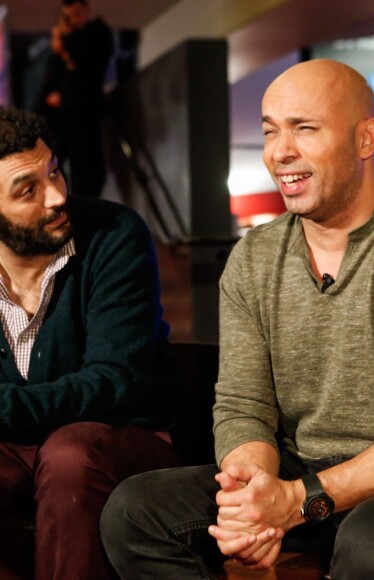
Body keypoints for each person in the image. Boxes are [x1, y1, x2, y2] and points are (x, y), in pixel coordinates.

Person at [100, 59, 374, 579]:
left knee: (372, 540)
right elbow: (243, 405)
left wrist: (296, 502)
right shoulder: (253, 258)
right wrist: (254, 497)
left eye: (305, 128)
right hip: (304, 476)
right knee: (134, 511)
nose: (280, 151)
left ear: (366, 139)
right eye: (271, 131)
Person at [0, 106, 184, 580]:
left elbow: (114, 382)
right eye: (29, 190)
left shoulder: (113, 235)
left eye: (54, 171)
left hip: (121, 438)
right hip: (17, 448)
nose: (58, 195)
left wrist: (7, 408)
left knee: (68, 455)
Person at [49, 0, 113, 198]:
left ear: (87, 9)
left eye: (77, 13)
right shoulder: (69, 43)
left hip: (87, 107)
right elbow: (57, 74)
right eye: (69, 16)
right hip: (69, 110)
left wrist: (67, 39)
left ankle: (89, 203)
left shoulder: (97, 32)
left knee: (89, 163)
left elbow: (90, 66)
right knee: (72, 161)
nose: (74, 20)